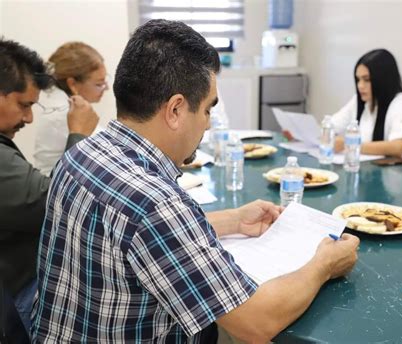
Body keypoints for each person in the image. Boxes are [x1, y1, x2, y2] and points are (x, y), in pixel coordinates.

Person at [32, 20, 359, 343]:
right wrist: (324, 264)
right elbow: (257, 322)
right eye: (206, 110)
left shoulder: (82, 152)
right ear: (175, 110)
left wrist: (232, 220)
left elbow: (132, 237)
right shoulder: (157, 204)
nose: (207, 125)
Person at [0, 38, 99, 332]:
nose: (29, 117)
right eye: (23, 105)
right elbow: (53, 202)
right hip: (21, 290)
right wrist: (78, 135)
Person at [332, 49, 402, 165]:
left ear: (383, 79)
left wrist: (349, 143)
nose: (360, 86)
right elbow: (331, 126)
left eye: (367, 80)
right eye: (358, 79)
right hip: (373, 170)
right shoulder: (359, 101)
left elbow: (398, 147)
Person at [34, 42, 109, 175]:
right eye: (99, 84)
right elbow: (108, 151)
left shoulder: (59, 104)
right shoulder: (63, 113)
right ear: (72, 83)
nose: (106, 88)